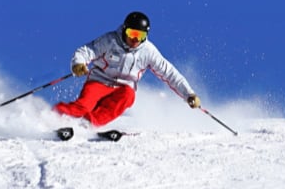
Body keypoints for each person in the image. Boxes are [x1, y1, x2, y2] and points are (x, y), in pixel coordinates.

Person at [54, 11, 201, 127]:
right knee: (84, 106)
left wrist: (189, 94)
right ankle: (55, 117)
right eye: (132, 33)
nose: (136, 39)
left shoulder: (148, 51)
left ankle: (88, 124)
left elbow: (169, 73)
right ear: (125, 30)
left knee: (128, 95)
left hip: (122, 89)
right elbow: (87, 50)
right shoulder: (111, 40)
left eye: (141, 35)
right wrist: (79, 63)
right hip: (99, 82)